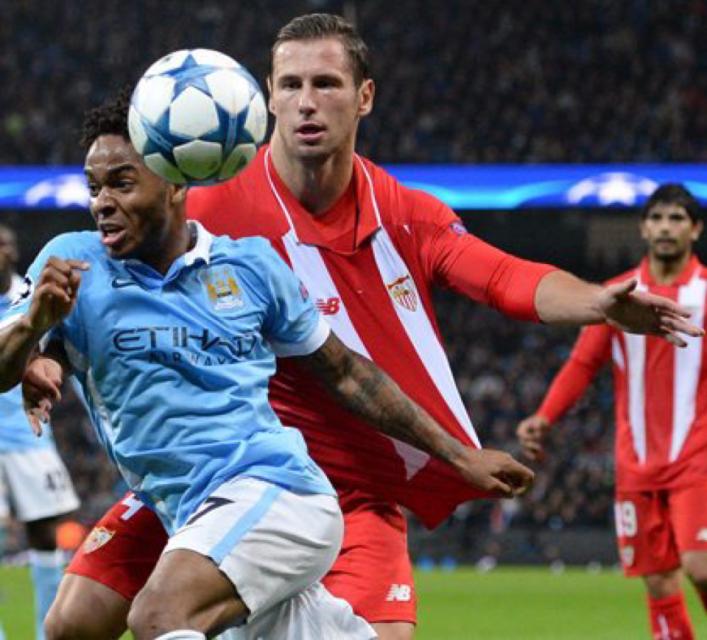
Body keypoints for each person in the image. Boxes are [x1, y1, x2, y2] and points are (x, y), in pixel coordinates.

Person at [44, 15, 702, 640]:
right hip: (206, 477)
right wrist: (45, 356)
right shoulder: (208, 209)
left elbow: (501, 277)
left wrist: (596, 301)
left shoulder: (404, 214)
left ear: (364, 97)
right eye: (290, 85)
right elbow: (105, 285)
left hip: (348, 490)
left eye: (325, 84)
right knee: (74, 623)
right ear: (266, 98)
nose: (306, 102)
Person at [0, 91, 538, 640]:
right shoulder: (72, 261)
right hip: (177, 503)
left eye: (121, 183)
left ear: (176, 181)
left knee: (160, 615)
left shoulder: (250, 266)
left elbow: (347, 373)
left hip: (276, 490)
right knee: (70, 628)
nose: (102, 203)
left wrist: (459, 456)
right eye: (94, 188)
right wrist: (32, 329)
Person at [517, 184, 707, 640]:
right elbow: (583, 363)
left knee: (700, 567)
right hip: (635, 462)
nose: (665, 227)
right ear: (643, 228)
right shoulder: (618, 296)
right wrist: (545, 416)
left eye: (676, 218)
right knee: (658, 579)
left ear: (695, 230)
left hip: (697, 457)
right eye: (657, 218)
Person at [0, 224, 80, 640]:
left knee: (47, 532)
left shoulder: (30, 294)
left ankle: (45, 633)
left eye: (4, 244)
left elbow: (57, 349)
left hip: (28, 437)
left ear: (14, 252)